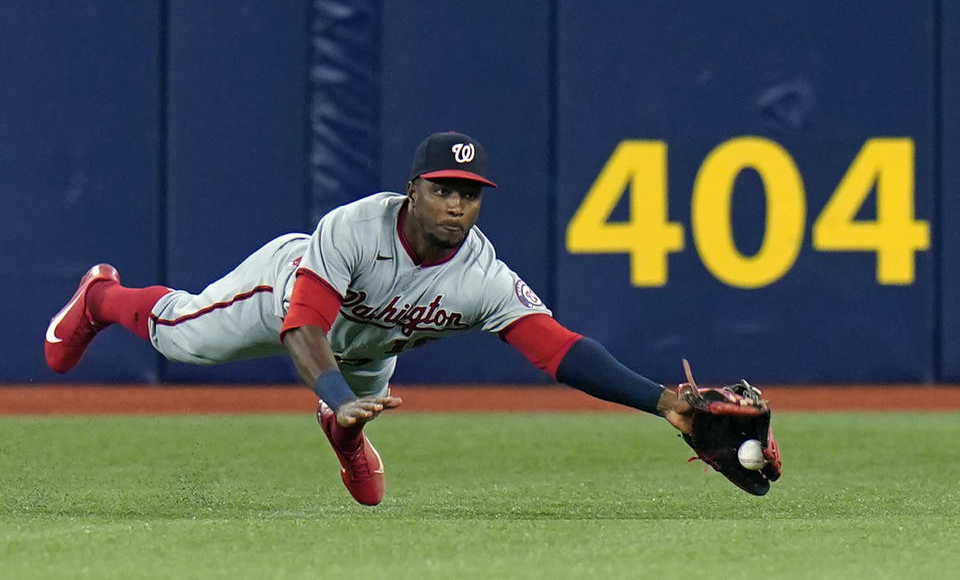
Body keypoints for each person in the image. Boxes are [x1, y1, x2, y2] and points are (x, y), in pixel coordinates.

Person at [44, 131, 693, 506]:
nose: (456, 206)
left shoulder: (481, 277)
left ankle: (348, 433)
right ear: (413, 189)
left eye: (468, 194)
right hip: (284, 292)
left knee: (357, 407)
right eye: (443, 189)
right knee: (183, 340)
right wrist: (331, 392)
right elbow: (303, 326)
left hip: (371, 340)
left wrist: (665, 402)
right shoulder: (354, 229)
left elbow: (562, 351)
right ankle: (102, 297)